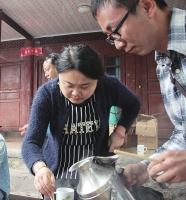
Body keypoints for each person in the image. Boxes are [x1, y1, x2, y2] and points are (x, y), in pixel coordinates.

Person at [21, 44, 140, 199]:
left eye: (86, 86)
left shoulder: (108, 86)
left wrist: (120, 130)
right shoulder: (47, 94)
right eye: (68, 85)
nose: (76, 93)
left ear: (98, 79)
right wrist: (40, 167)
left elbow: (133, 104)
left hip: (98, 177)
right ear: (59, 76)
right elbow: (31, 142)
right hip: (60, 177)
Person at [91, 0, 186, 186]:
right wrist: (147, 168)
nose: (117, 45)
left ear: (147, 7)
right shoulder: (163, 66)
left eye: (115, 30)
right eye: (111, 37)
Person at [19, 53, 59, 136]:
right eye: (45, 71)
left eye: (48, 69)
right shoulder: (47, 91)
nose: (46, 74)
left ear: (58, 66)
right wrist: (34, 127)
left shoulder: (70, 91)